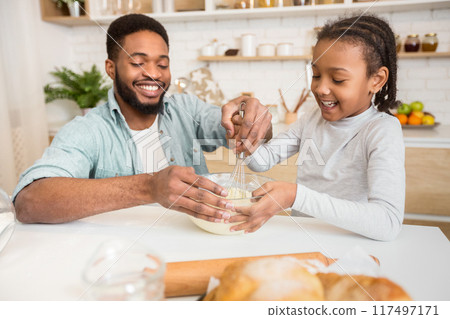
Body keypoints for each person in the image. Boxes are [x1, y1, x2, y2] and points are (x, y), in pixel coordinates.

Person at [13, 14, 272, 224]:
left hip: (193, 241)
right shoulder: (88, 130)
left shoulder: (187, 109)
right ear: (111, 68)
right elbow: (29, 202)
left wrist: (253, 120)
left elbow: (238, 131)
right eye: (138, 63)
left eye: (162, 64)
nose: (153, 75)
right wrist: (149, 187)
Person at [229, 15, 405, 241]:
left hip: (351, 246)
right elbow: (262, 161)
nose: (321, 89)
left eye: (338, 79)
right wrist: (245, 137)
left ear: (377, 80)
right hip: (304, 239)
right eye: (316, 75)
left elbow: (387, 223)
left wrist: (295, 196)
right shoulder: (312, 118)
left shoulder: (381, 131)